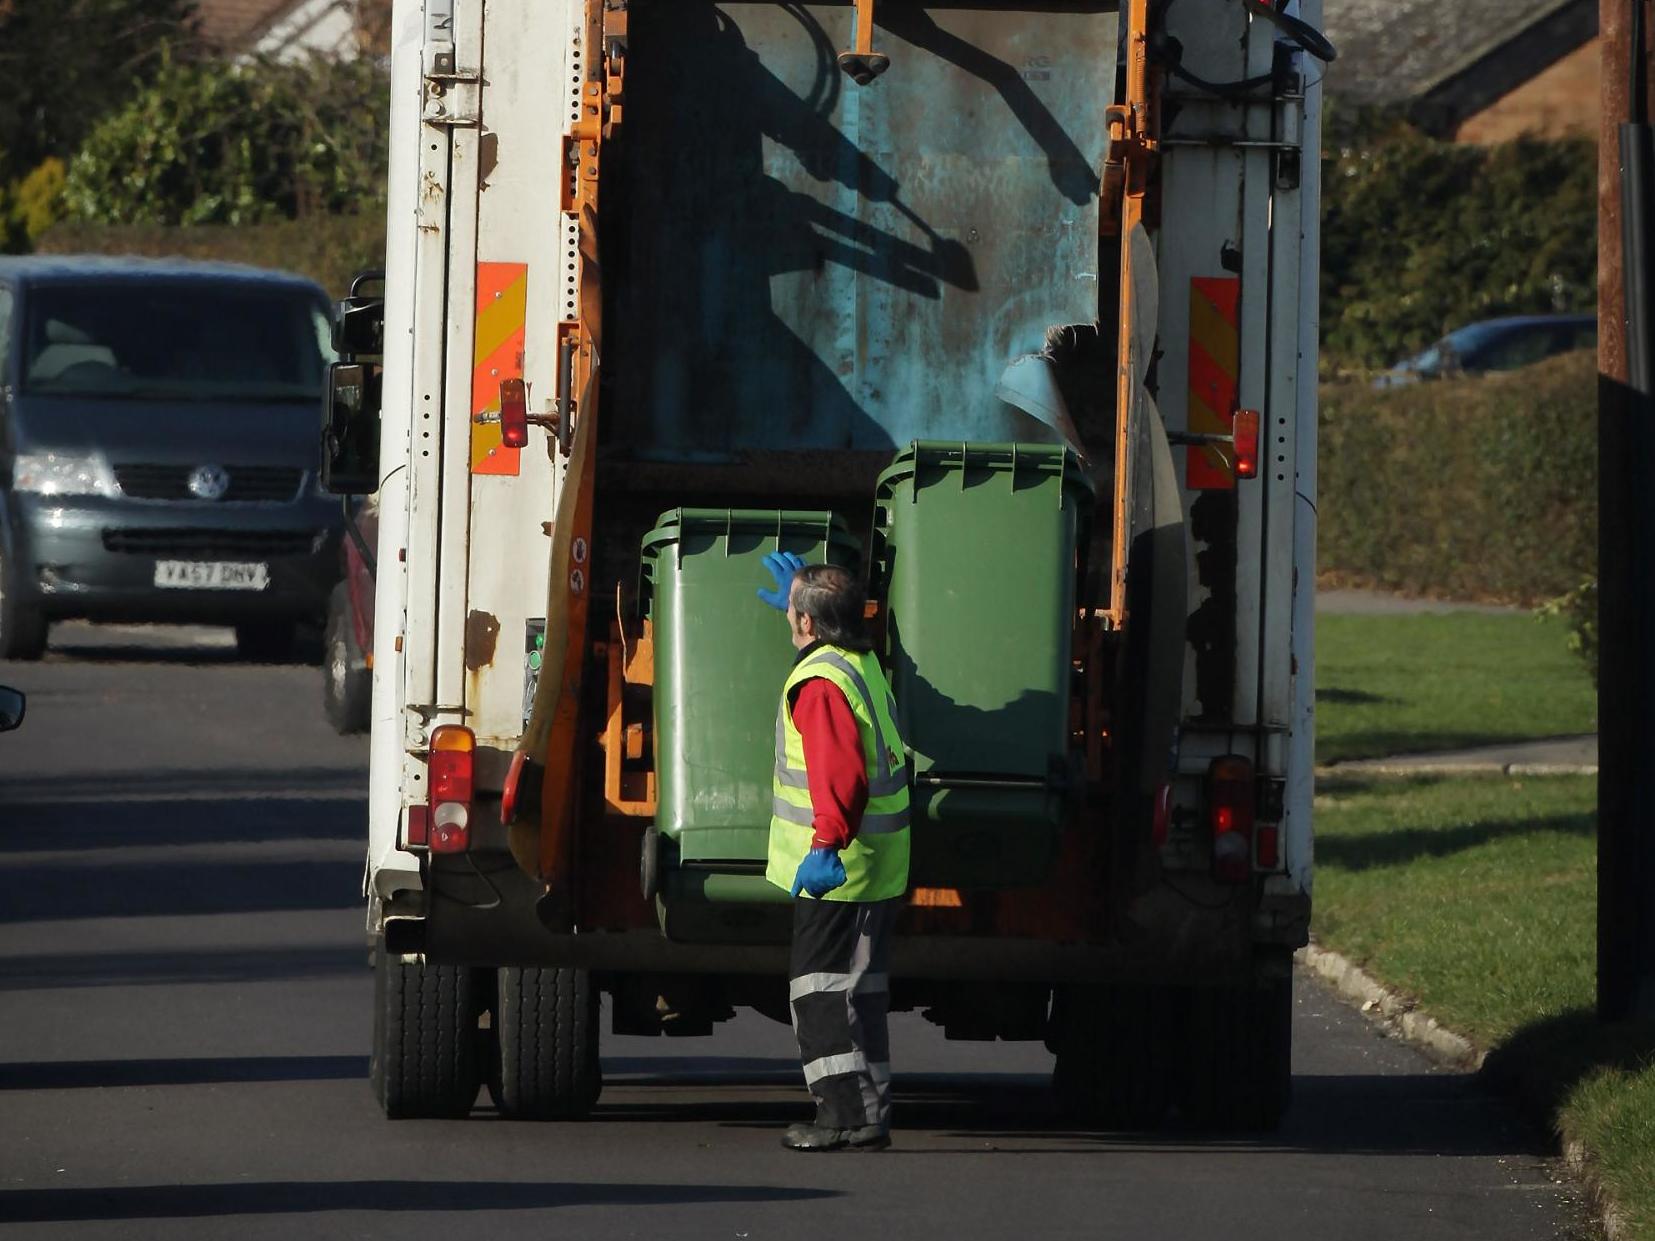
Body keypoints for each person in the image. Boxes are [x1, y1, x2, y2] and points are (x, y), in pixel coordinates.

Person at [756, 552, 911, 1152]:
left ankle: (841, 1115)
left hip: (837, 869)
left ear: (809, 625)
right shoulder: (861, 662)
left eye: (795, 610)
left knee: (818, 991)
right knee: (861, 993)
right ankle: (869, 1112)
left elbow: (839, 777)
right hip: (876, 862)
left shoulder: (820, 683)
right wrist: (803, 599)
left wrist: (824, 845)